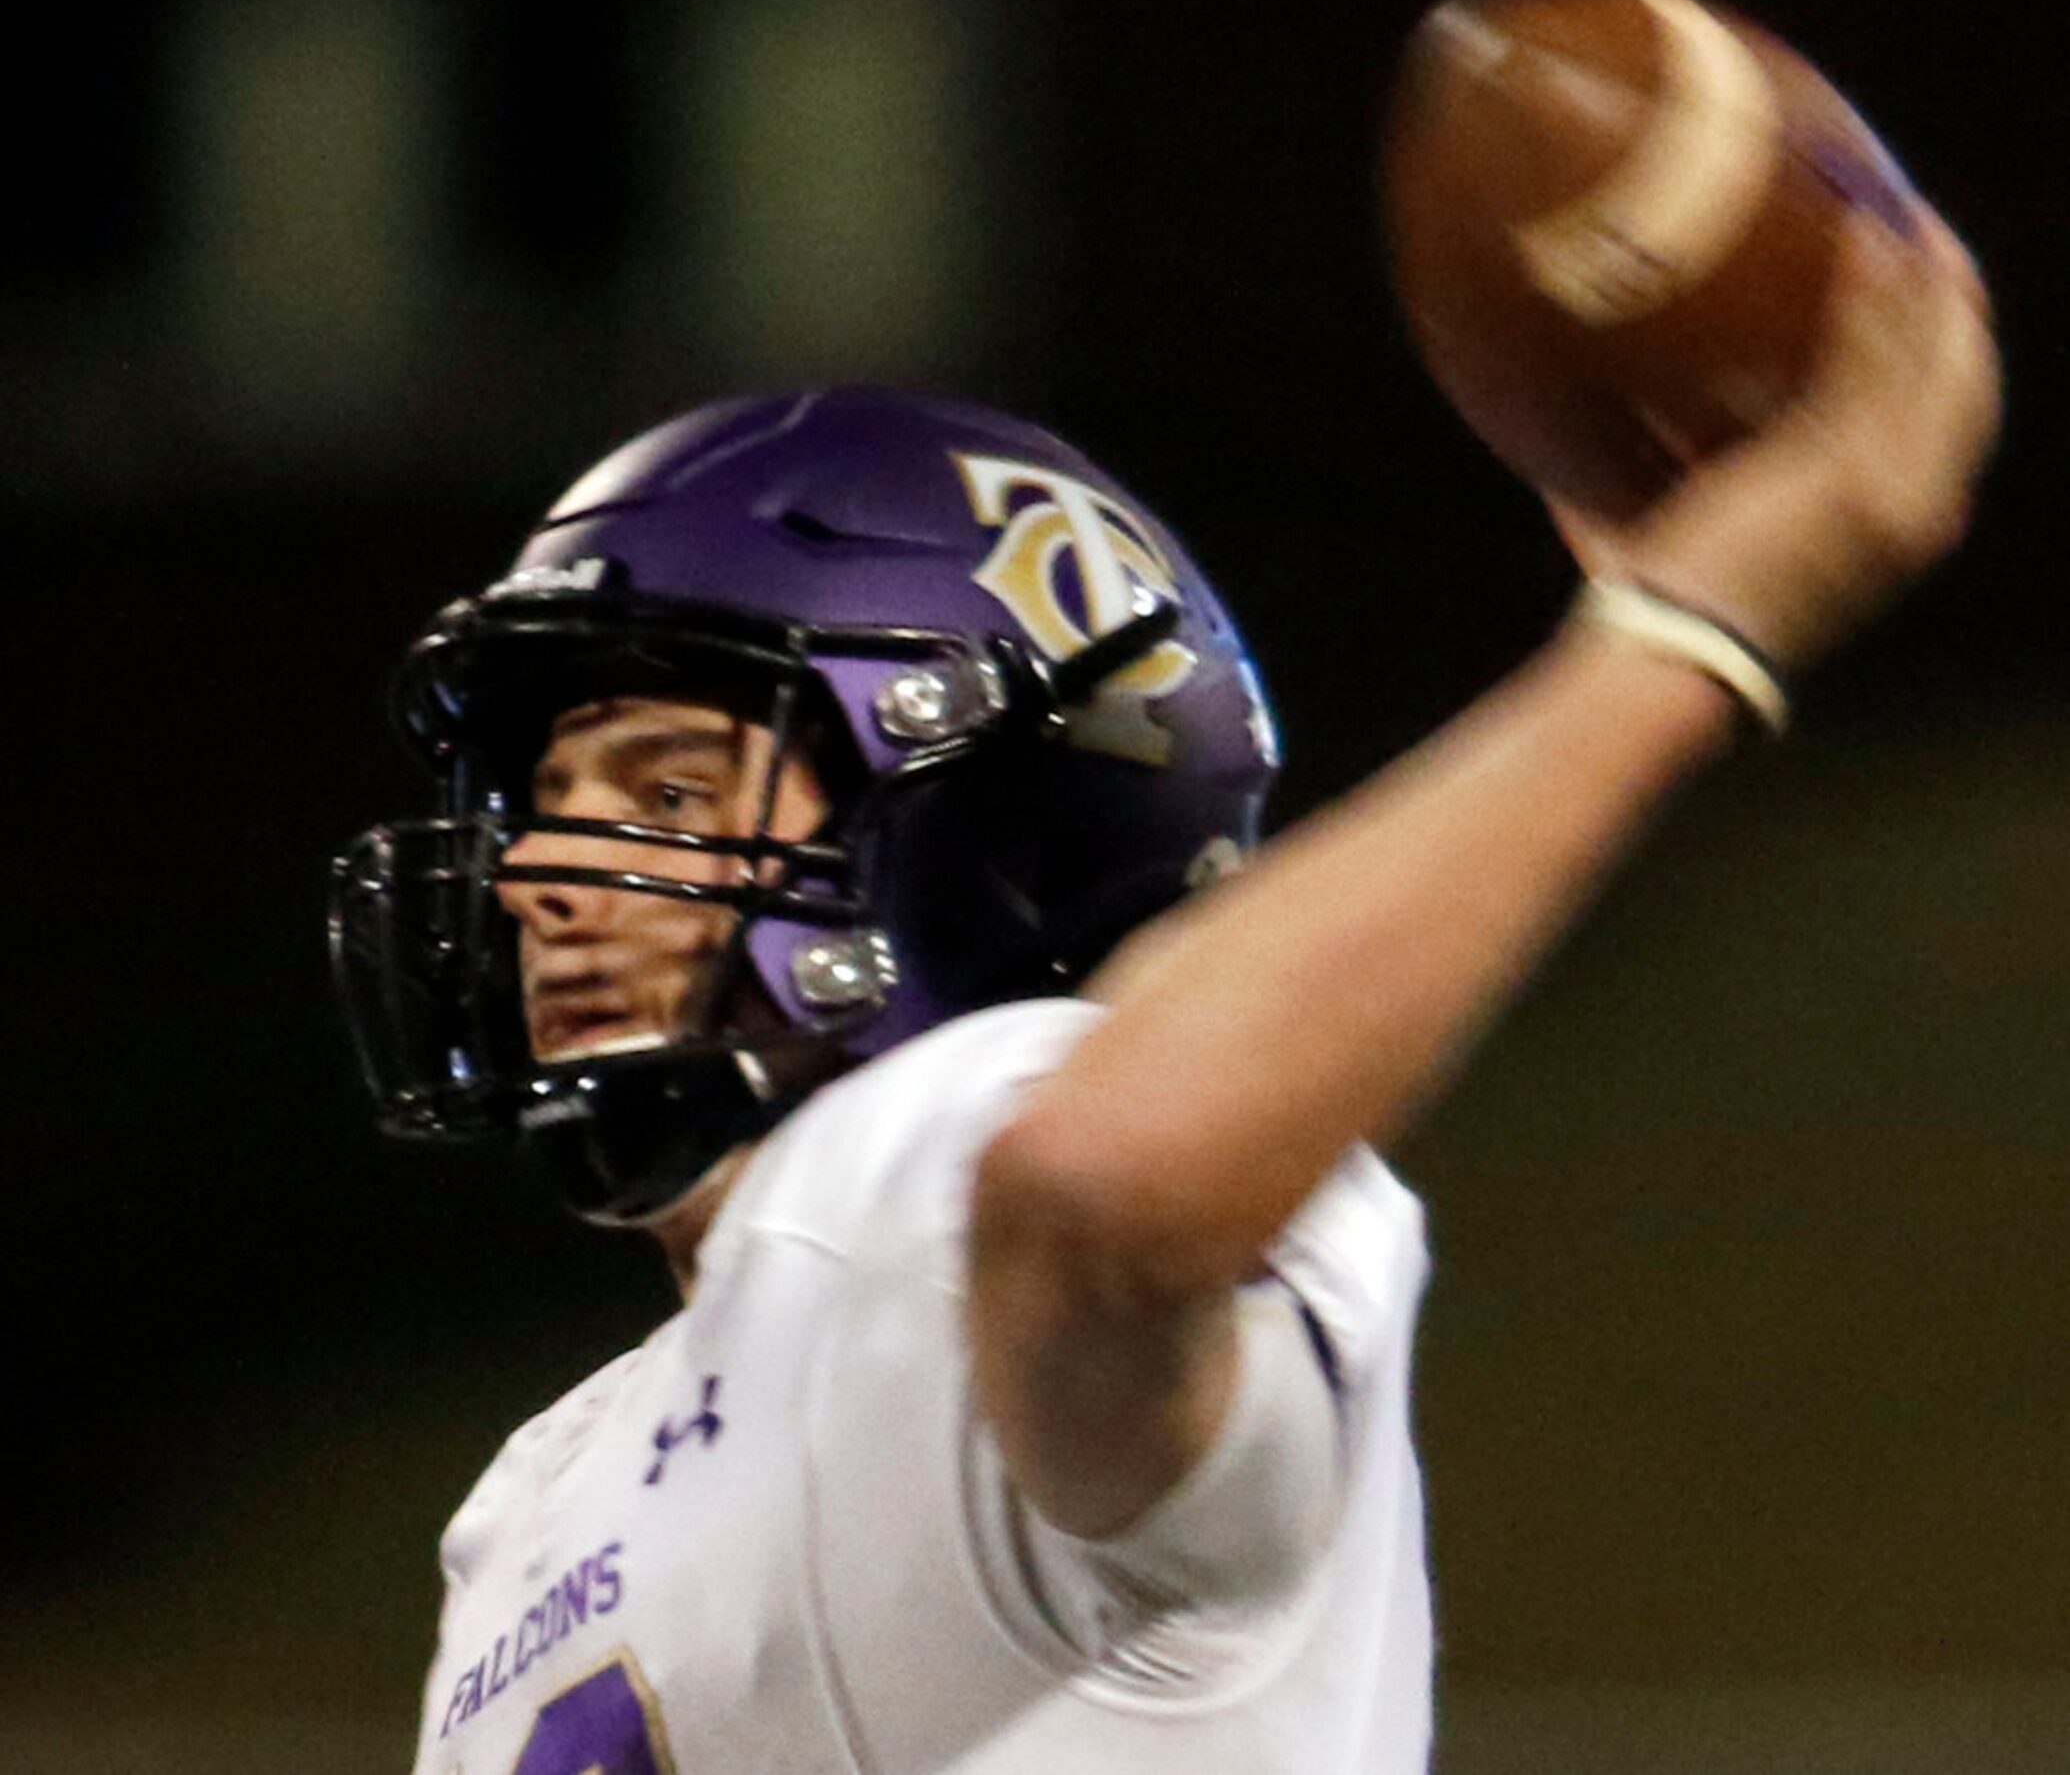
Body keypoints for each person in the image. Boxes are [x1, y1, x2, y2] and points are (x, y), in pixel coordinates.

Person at [332, 206, 1997, 1774]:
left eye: (669, 789)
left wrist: (1680, 629)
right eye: (547, 800)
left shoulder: (946, 1187)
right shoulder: (542, 1495)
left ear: (964, 816)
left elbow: (1102, 1169)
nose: (544, 872)